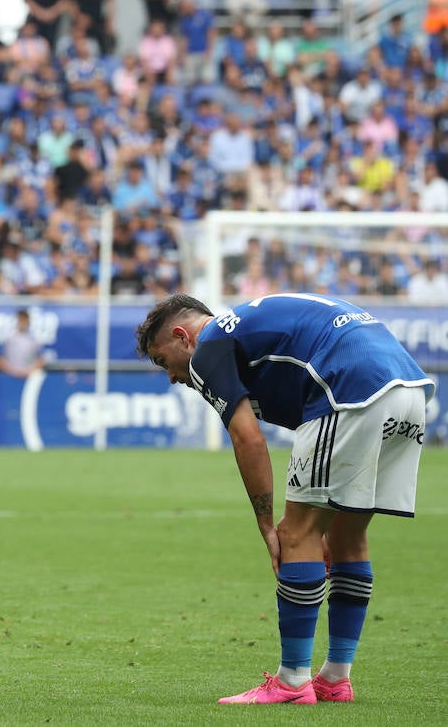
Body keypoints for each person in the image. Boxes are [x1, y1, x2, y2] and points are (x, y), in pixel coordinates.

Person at [135, 293, 433, 705]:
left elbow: (248, 438)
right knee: (346, 535)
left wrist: (267, 523)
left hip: (350, 386)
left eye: (161, 360)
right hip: (410, 389)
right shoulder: (249, 330)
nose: (169, 375)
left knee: (297, 535)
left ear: (182, 336)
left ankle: (292, 681)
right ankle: (334, 677)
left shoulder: (209, 347)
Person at [0, 308, 45, 378]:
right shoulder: (8, 338)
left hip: (28, 378)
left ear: (28, 321)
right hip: (9, 377)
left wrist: (29, 371)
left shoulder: (34, 339)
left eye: (24, 320)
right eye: (21, 320)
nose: (22, 323)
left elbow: (41, 360)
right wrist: (13, 371)